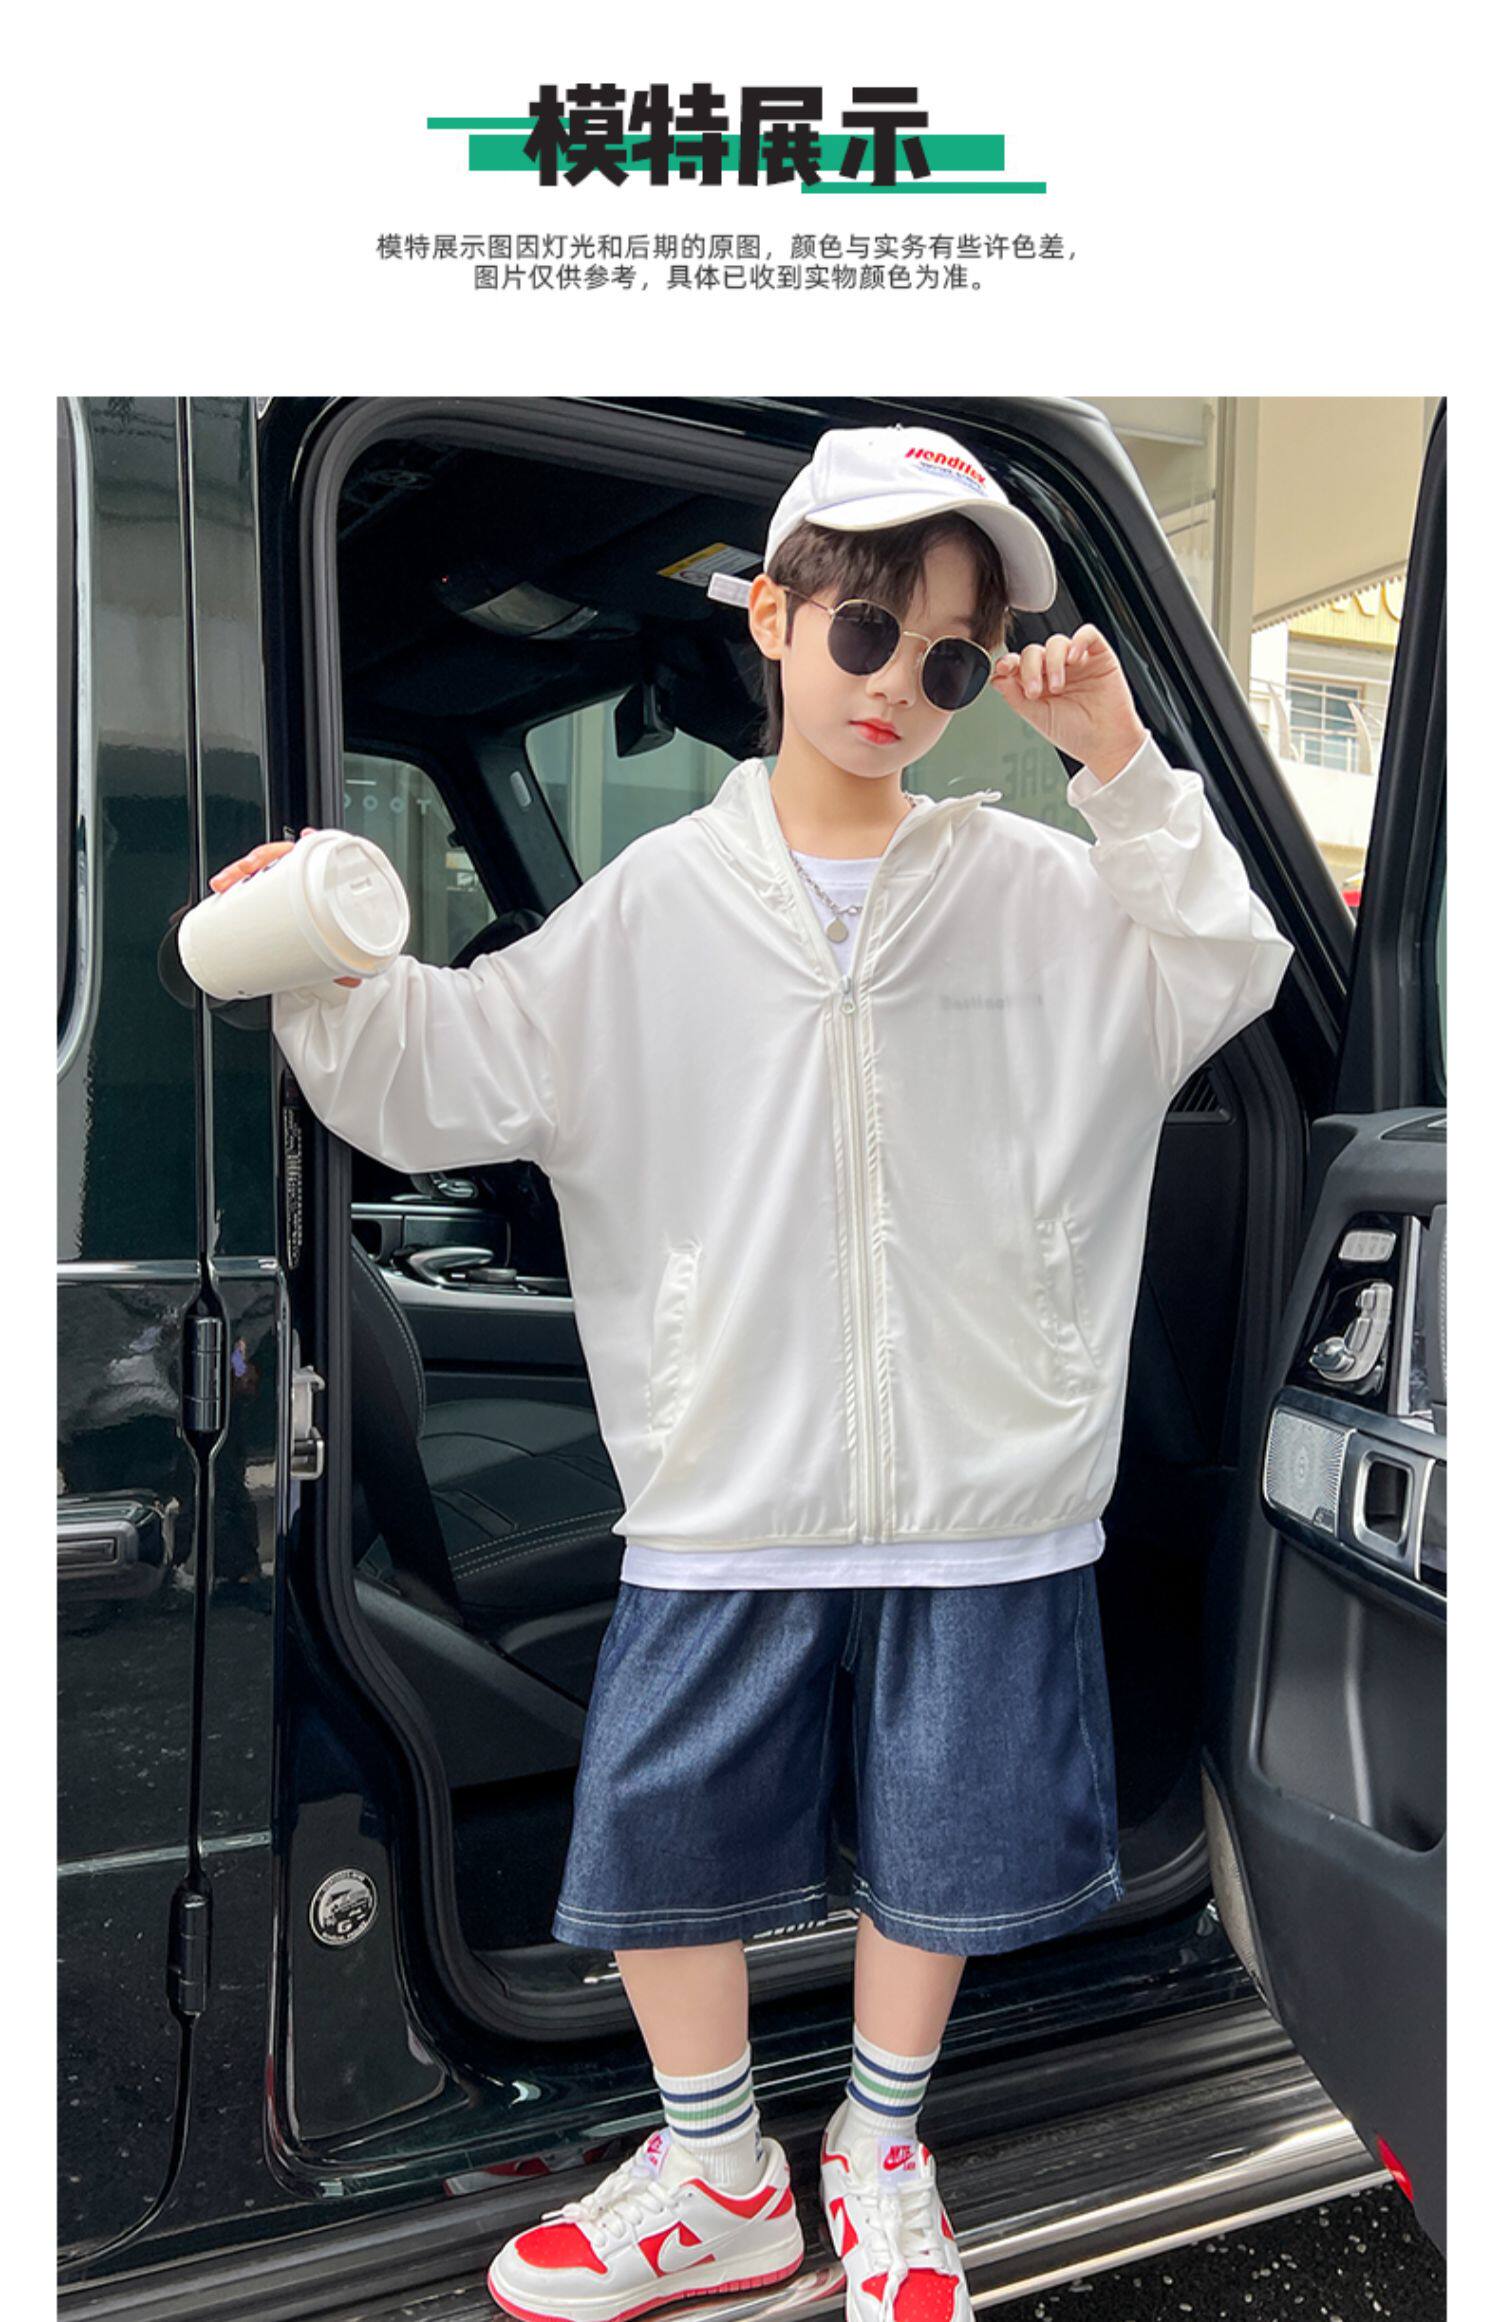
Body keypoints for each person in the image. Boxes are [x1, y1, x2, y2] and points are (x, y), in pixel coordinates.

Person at [213, 424, 1295, 2322]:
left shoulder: (1039, 886)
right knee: (673, 1835)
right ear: (773, 616)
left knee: (942, 1841)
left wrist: (1121, 767)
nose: (899, 687)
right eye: (865, 630)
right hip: (727, 1475)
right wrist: (316, 950)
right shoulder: (656, 904)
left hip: (986, 1484)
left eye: (949, 659)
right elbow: (440, 1069)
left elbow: (1228, 964)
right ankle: (717, 2172)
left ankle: (881, 2146)